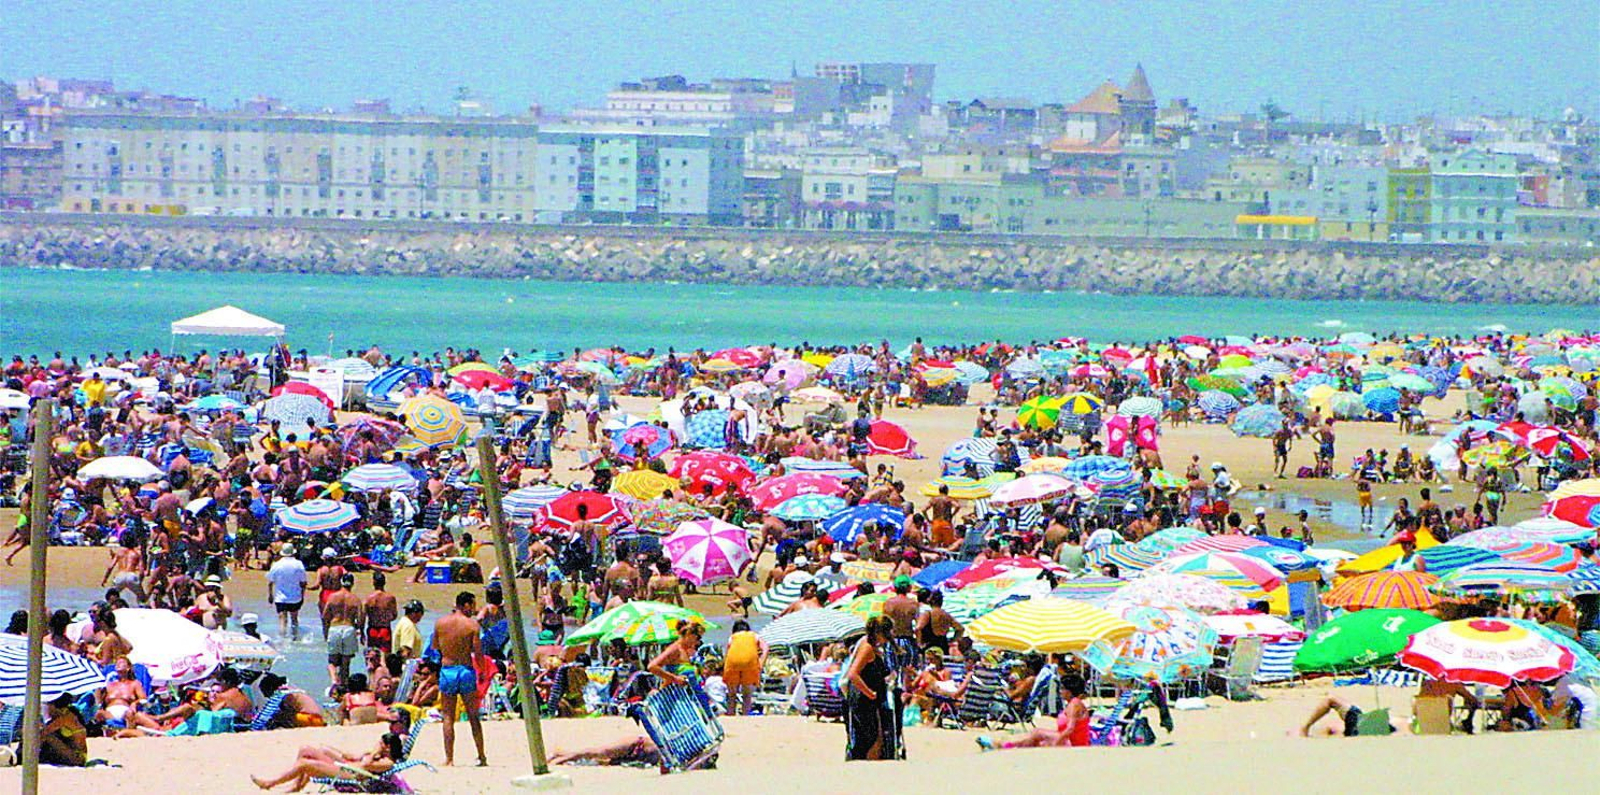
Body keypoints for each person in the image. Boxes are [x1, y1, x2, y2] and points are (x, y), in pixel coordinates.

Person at [432, 590, 487, 767]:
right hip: (465, 670)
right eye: (473, 604)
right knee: (473, 715)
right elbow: (478, 653)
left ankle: (449, 759)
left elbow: (435, 646)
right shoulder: (472, 626)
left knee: (448, 716)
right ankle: (481, 756)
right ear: (466, 605)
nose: (474, 608)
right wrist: (483, 671)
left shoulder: (440, 623)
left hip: (447, 670)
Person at [251, 730, 403, 791]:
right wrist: (342, 754)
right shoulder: (378, 756)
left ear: (388, 748)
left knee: (305, 763)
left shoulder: (387, 762)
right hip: (347, 766)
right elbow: (355, 757)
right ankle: (297, 786)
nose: (378, 745)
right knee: (306, 749)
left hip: (351, 775)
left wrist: (374, 752)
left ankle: (270, 783)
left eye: (381, 743)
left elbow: (365, 765)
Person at [977, 673, 1090, 750]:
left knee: (1038, 733)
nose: (1060, 691)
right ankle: (1006, 745)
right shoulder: (1073, 703)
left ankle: (1005, 746)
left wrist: (1057, 743)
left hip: (1073, 743)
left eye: (1062, 688)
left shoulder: (1074, 705)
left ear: (1069, 691)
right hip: (1070, 741)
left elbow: (1070, 728)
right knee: (1037, 740)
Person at [844, 615, 898, 761]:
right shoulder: (867, 648)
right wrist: (870, 693)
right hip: (863, 697)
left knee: (874, 735)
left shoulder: (872, 646)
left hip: (868, 696)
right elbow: (853, 674)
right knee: (871, 737)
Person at [323, 573, 364, 689]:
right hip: (349, 628)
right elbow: (361, 618)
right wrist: (361, 632)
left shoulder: (332, 597)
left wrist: (326, 632)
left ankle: (334, 680)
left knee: (332, 661)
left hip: (335, 627)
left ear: (341, 582)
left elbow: (325, 616)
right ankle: (344, 687)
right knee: (346, 663)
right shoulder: (355, 599)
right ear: (352, 584)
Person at [721, 619, 767, 716]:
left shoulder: (732, 637)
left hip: (733, 662)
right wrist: (761, 663)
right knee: (747, 694)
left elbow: (727, 653)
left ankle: (731, 714)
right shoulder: (754, 635)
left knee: (731, 694)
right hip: (750, 662)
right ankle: (745, 715)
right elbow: (765, 647)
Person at [1297, 696, 1393, 737]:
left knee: (1330, 699)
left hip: (1363, 724)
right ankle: (1305, 728)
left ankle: (1305, 728)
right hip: (1370, 724)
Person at [267, 544, 307, 642]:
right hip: (295, 597)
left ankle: (282, 640)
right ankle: (295, 639)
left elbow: (270, 582)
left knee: (282, 620)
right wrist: (302, 595)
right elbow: (303, 582)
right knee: (294, 619)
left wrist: (270, 595)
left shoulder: (276, 564)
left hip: (280, 598)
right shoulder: (299, 564)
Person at [40, 692, 89, 767]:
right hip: (69, 752)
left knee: (47, 736)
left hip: (77, 757)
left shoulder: (66, 717)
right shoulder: (64, 715)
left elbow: (45, 732)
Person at [549, 735, 662, 767]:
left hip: (640, 756)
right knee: (599, 752)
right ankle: (561, 758)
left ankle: (561, 754)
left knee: (600, 759)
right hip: (637, 745)